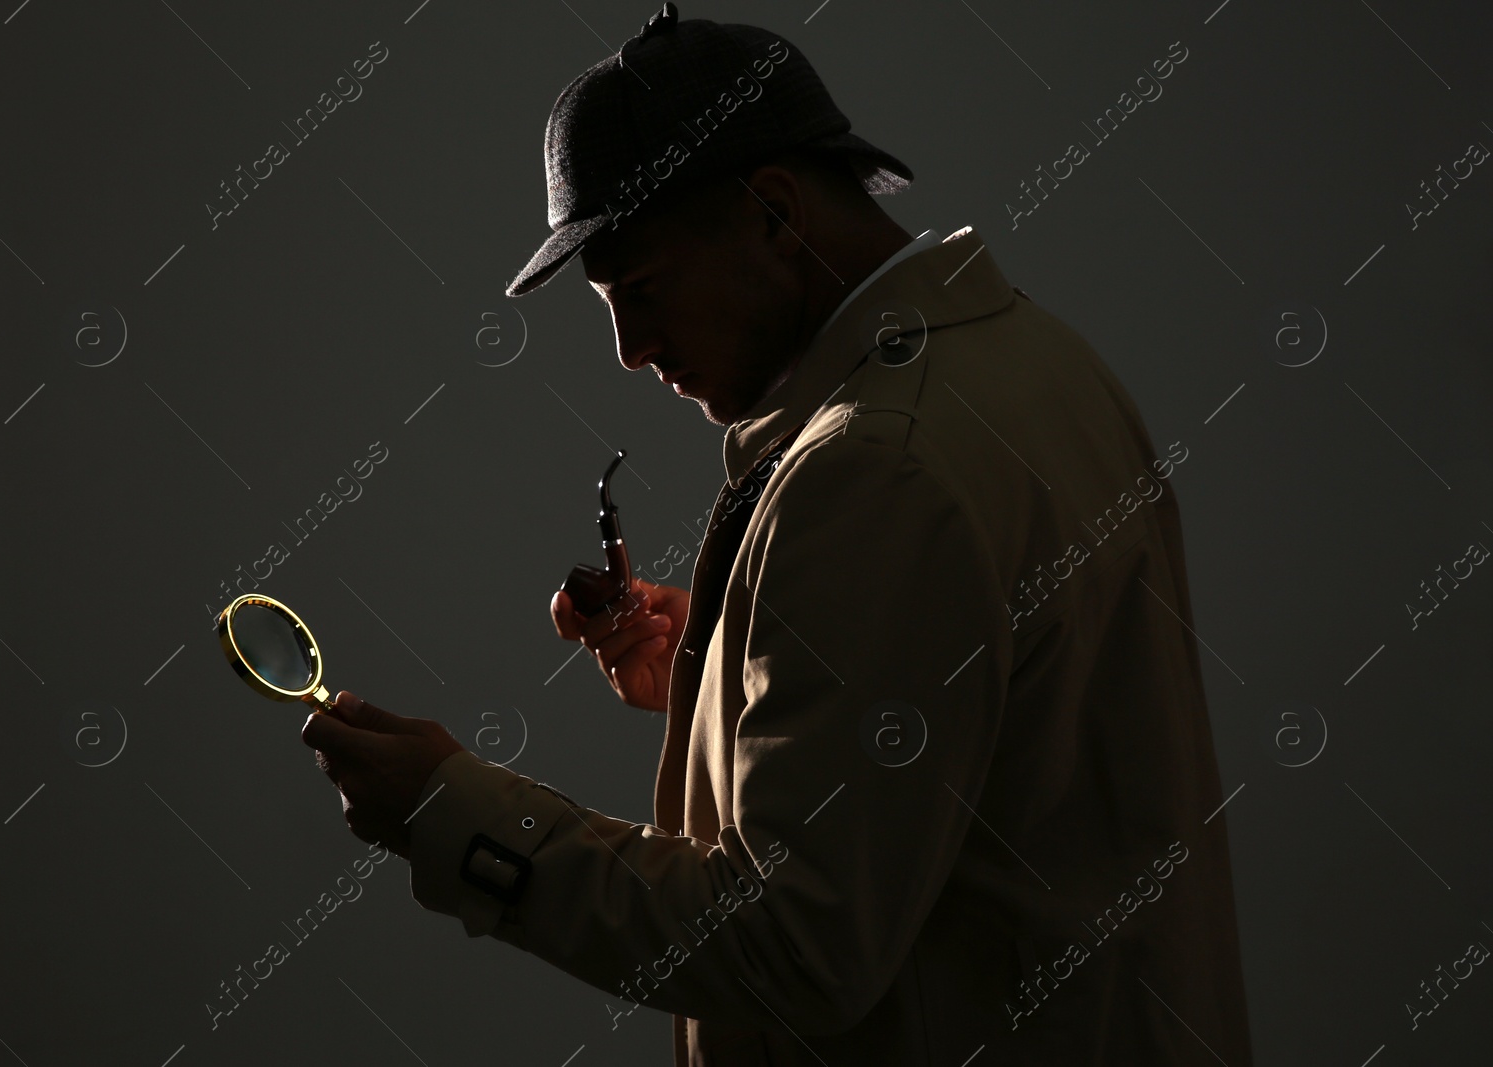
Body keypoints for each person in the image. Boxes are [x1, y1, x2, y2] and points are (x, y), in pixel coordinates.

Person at [302, 5, 1255, 1064]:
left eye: (641, 288)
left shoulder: (874, 465)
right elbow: (1004, 751)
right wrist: (728, 679)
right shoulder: (1041, 367)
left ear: (773, 211)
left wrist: (452, 811)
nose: (629, 348)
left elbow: (793, 948)